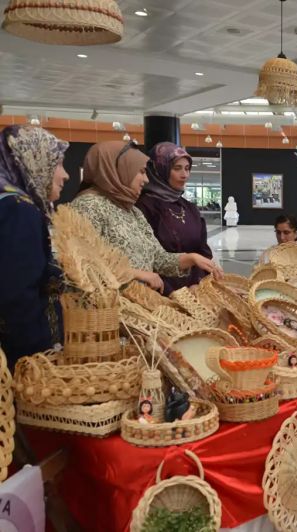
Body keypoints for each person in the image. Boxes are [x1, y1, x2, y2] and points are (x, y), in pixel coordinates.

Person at [69, 141, 222, 293]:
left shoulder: (131, 210)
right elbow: (82, 264)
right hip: (109, 310)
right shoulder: (88, 206)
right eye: (141, 172)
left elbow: (157, 257)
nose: (146, 179)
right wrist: (136, 274)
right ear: (120, 170)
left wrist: (192, 258)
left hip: (140, 303)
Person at [0, 125, 69, 366]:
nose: (65, 175)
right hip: (18, 356)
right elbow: (19, 296)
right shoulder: (19, 210)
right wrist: (37, 360)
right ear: (33, 161)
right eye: (57, 163)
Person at [135, 142, 214, 295]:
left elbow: (203, 251)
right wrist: (174, 294)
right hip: (160, 292)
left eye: (187, 168)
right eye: (177, 168)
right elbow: (147, 258)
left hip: (194, 292)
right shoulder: (145, 207)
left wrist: (198, 284)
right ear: (159, 169)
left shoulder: (189, 208)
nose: (185, 175)